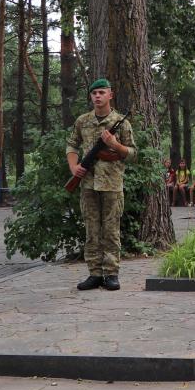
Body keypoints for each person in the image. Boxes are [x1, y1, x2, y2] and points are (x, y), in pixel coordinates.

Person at [66, 78, 136, 292]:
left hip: (112, 184)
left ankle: (111, 274)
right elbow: (71, 144)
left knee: (111, 230)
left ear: (110, 95)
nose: (97, 96)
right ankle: (95, 274)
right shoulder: (82, 121)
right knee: (92, 230)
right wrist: (73, 167)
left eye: (102, 92)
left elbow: (133, 154)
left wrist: (115, 145)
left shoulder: (121, 123)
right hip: (88, 184)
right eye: (94, 93)